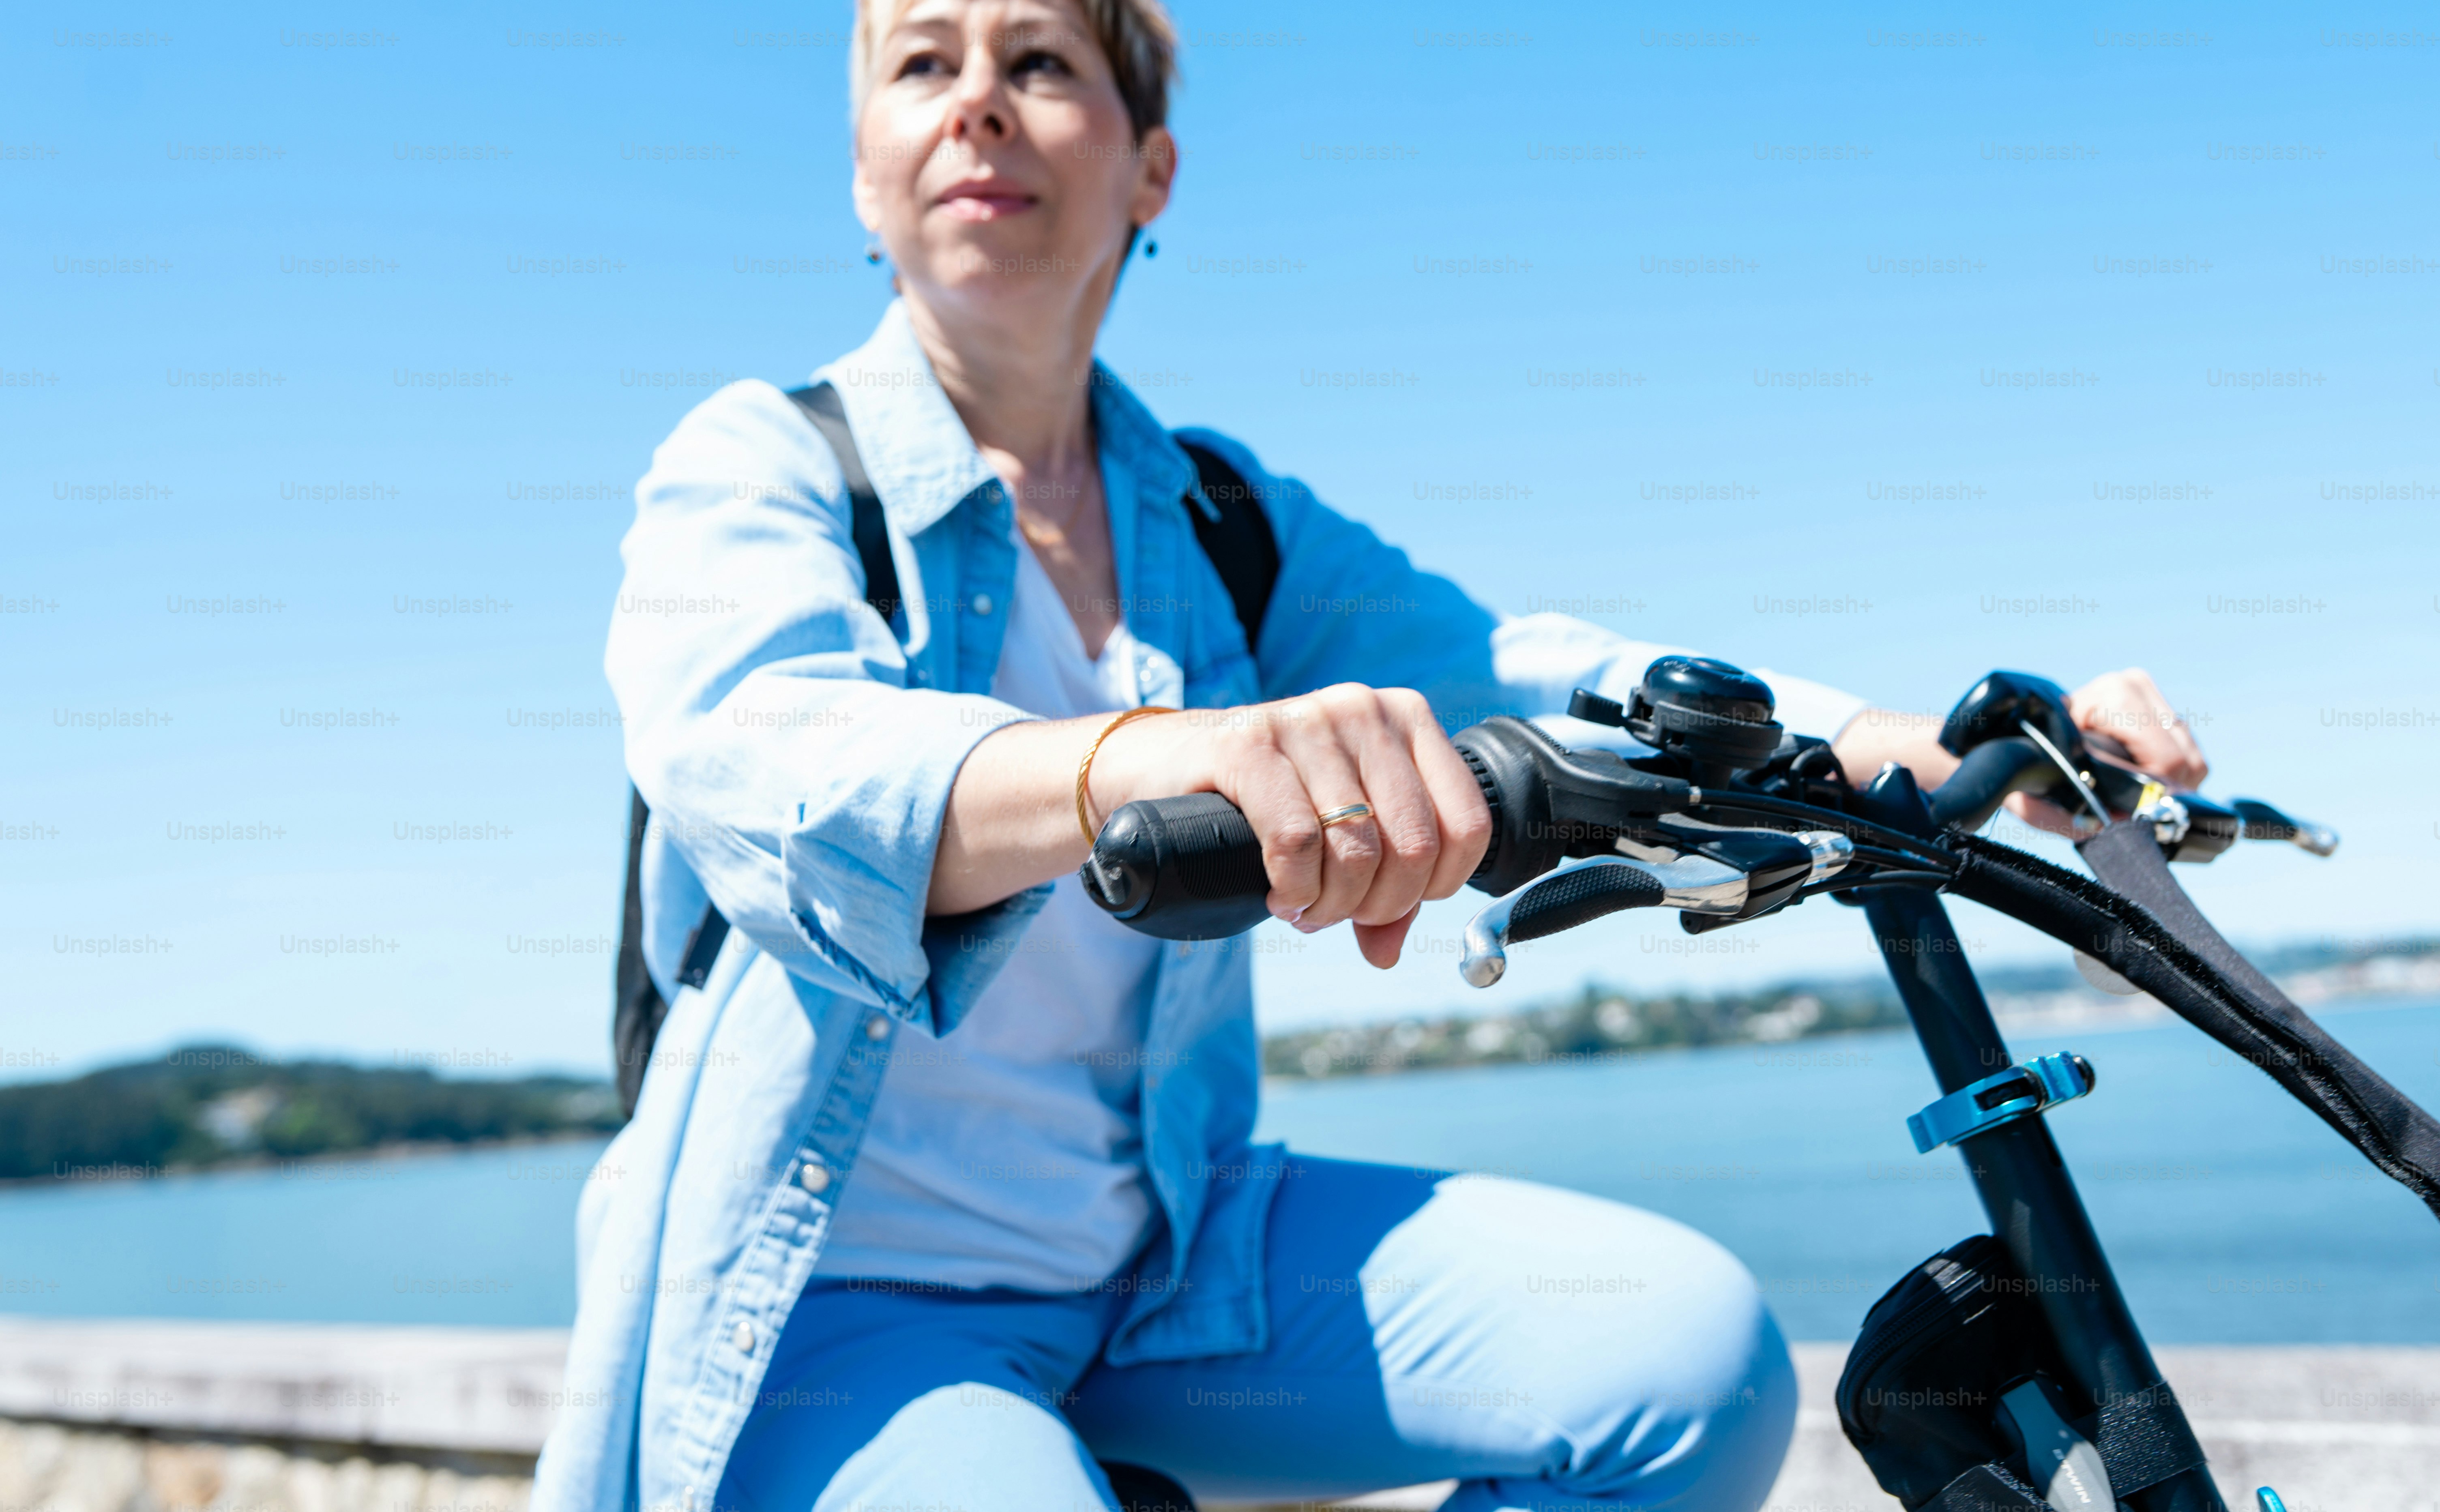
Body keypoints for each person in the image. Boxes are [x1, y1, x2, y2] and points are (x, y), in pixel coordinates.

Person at [533, 1, 2211, 1508]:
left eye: (1040, 60)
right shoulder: (761, 465)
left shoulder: (1219, 519)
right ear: (863, 174)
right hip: (837, 1300)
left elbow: (1529, 670)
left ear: (1152, 170)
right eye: (921, 63)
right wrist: (1155, 758)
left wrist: (1895, 738)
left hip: (1172, 1258)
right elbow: (768, 753)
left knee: (1689, 1365)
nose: (976, 102)